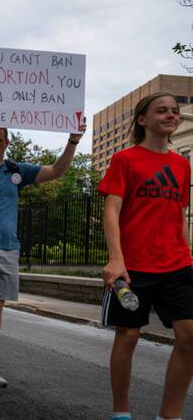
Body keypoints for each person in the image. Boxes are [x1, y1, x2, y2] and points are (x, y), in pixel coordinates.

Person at [0, 121, 85, 386]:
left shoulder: (16, 171)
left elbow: (56, 171)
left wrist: (73, 142)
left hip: (8, 247)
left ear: (7, 143)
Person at [98, 92, 193, 420]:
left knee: (190, 334)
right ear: (142, 119)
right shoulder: (125, 159)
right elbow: (112, 207)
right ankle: (121, 412)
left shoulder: (182, 165)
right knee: (129, 335)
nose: (170, 115)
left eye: (174, 111)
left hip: (176, 264)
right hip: (133, 266)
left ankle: (170, 415)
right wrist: (115, 258)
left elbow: (178, 214)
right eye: (162, 110)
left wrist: (188, 253)